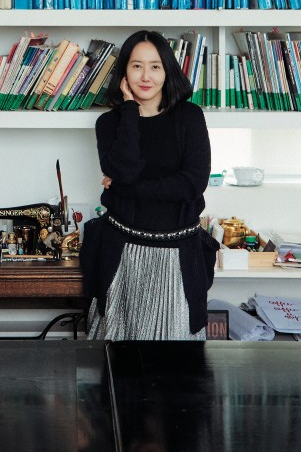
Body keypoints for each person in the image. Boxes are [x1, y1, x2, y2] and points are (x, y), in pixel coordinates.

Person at [82, 30, 218, 340]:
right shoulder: (109, 123)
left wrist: (123, 189)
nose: (146, 76)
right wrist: (130, 111)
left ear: (167, 70)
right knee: (117, 357)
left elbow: (192, 184)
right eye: (137, 66)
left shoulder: (190, 117)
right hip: (122, 255)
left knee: (177, 360)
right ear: (124, 72)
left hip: (177, 258)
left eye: (155, 66)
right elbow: (124, 169)